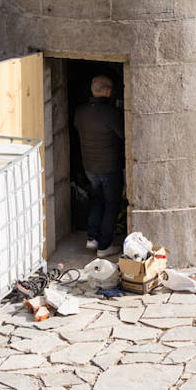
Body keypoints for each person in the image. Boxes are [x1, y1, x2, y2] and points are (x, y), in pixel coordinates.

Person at [74, 75, 124, 257]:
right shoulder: (111, 114)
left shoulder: (80, 112)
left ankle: (92, 238)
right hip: (109, 167)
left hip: (89, 166)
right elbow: (124, 135)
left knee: (97, 200)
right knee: (111, 205)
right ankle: (104, 246)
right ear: (108, 92)